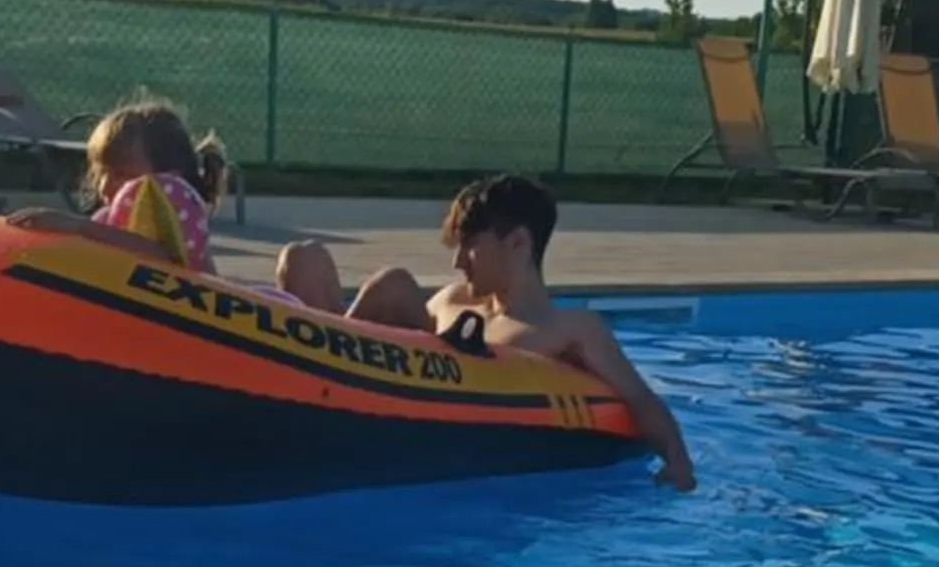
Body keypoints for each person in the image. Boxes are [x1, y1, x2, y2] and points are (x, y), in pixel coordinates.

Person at [277, 173, 697, 491]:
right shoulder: (450, 301)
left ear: (517, 243)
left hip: (458, 447)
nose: (458, 260)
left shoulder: (567, 329)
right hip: (358, 400)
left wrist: (678, 463)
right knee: (367, 275)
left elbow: (638, 396)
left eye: (469, 245)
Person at [9, 96, 230, 271]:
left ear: (167, 179)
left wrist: (80, 227)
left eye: (121, 174)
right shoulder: (109, 222)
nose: (104, 186)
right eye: (101, 173)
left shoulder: (180, 227)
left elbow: (166, 261)